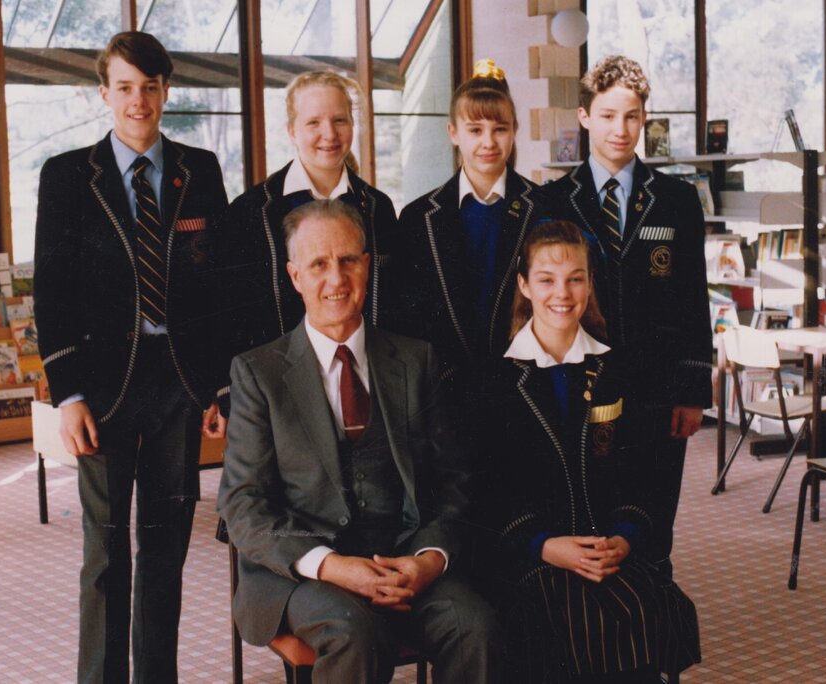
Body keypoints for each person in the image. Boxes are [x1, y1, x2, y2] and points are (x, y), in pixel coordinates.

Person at [217, 200, 502, 684]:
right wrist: (332, 566)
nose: (337, 279)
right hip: (305, 574)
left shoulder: (415, 360)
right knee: (356, 632)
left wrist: (428, 560)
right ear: (294, 277)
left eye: (348, 260)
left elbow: (453, 481)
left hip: (403, 558)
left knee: (475, 624)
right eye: (319, 264)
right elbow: (242, 504)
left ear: (367, 265)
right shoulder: (258, 373)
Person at [33, 31, 229, 683]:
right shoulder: (66, 177)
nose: (138, 100)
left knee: (167, 547)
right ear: (104, 93)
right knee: (106, 549)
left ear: (166, 90)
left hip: (178, 383)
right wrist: (68, 393)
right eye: (125, 87)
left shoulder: (200, 172)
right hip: (102, 388)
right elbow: (52, 291)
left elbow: (219, 284)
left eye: (150, 86)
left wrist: (220, 388)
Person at [468, 221, 700, 682]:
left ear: (591, 284)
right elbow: (485, 495)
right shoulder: (491, 384)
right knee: (563, 619)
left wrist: (626, 537)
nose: (563, 292)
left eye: (576, 278)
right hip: (532, 559)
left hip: (609, 547)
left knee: (648, 605)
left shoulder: (619, 371)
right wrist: (544, 546)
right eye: (547, 280)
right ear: (523, 285)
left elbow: (646, 475)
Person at [544, 56, 712, 581]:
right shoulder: (551, 202)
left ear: (645, 120)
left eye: (633, 117)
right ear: (585, 116)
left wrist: (693, 389)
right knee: (591, 502)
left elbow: (692, 298)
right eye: (610, 115)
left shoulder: (677, 201)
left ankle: (651, 625)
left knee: (653, 508)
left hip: (658, 385)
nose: (621, 129)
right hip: (580, 381)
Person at [218, 70, 397, 359]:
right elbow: (234, 311)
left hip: (364, 371)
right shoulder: (250, 211)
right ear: (292, 130)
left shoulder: (378, 207)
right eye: (314, 122)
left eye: (340, 120)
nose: (329, 134)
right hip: (278, 382)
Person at [388, 59, 547, 370]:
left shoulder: (544, 206)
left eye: (499, 129)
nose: (488, 142)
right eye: (475, 130)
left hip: (527, 382)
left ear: (514, 131)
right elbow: (406, 318)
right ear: (453, 132)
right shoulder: (418, 217)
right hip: (442, 386)